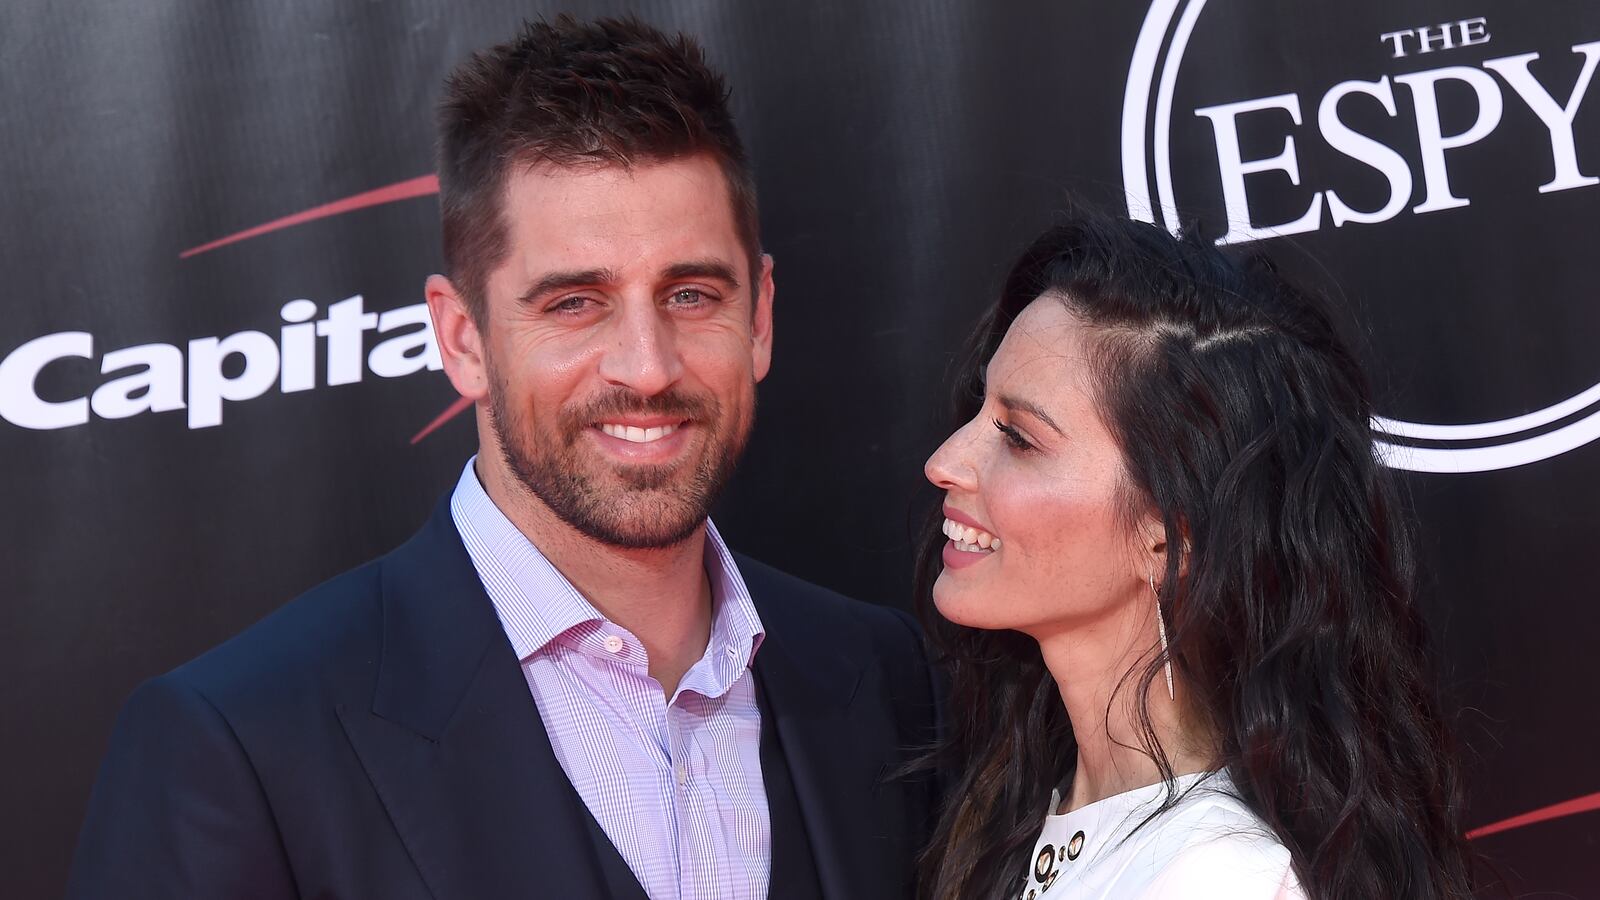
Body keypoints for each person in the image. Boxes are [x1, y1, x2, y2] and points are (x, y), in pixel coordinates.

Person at [68, 16, 937, 900]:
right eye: (573, 304)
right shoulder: (240, 741)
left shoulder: (882, 680)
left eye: (690, 293)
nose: (647, 365)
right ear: (462, 339)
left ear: (759, 318)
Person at [915, 213, 1475, 899]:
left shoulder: (1219, 877)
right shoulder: (1027, 805)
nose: (945, 463)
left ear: (1170, 534)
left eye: (1020, 439)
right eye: (979, 409)